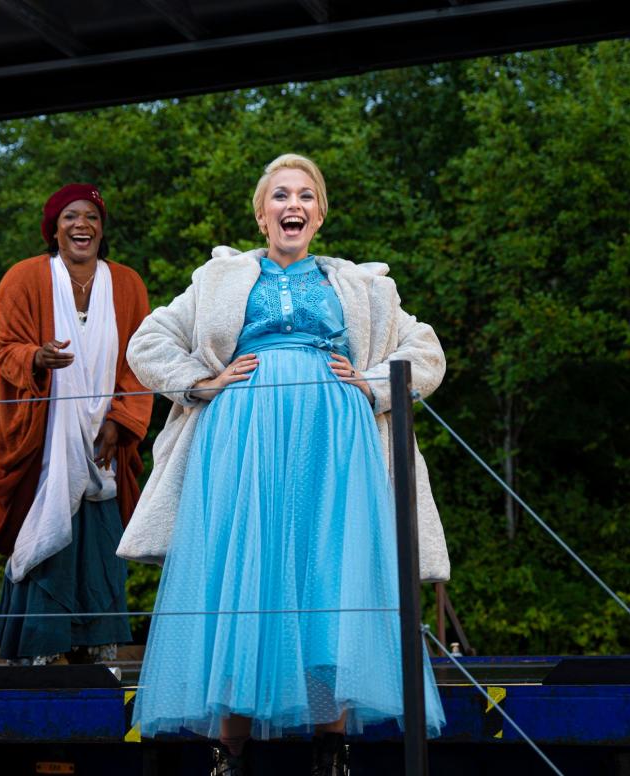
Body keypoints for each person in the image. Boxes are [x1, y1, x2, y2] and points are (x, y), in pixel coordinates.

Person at [119, 154, 448, 775]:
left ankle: (331, 750)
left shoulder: (361, 284)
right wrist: (200, 381)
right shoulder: (218, 280)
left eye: (304, 196)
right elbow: (147, 341)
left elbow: (424, 348)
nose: (291, 205)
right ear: (261, 212)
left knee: (327, 578)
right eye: (279, 196)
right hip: (243, 443)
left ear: (320, 214)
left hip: (335, 440)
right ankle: (229, 754)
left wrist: (374, 383)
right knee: (247, 579)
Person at [0, 183, 153, 666]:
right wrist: (36, 357)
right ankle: (39, 647)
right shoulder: (23, 278)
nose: (82, 225)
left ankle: (95, 648)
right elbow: (3, 348)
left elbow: (140, 360)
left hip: (105, 440)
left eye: (92, 217)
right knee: (45, 542)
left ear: (102, 229)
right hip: (43, 436)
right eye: (71, 217)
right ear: (53, 229)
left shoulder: (128, 284)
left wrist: (122, 419)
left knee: (98, 543)